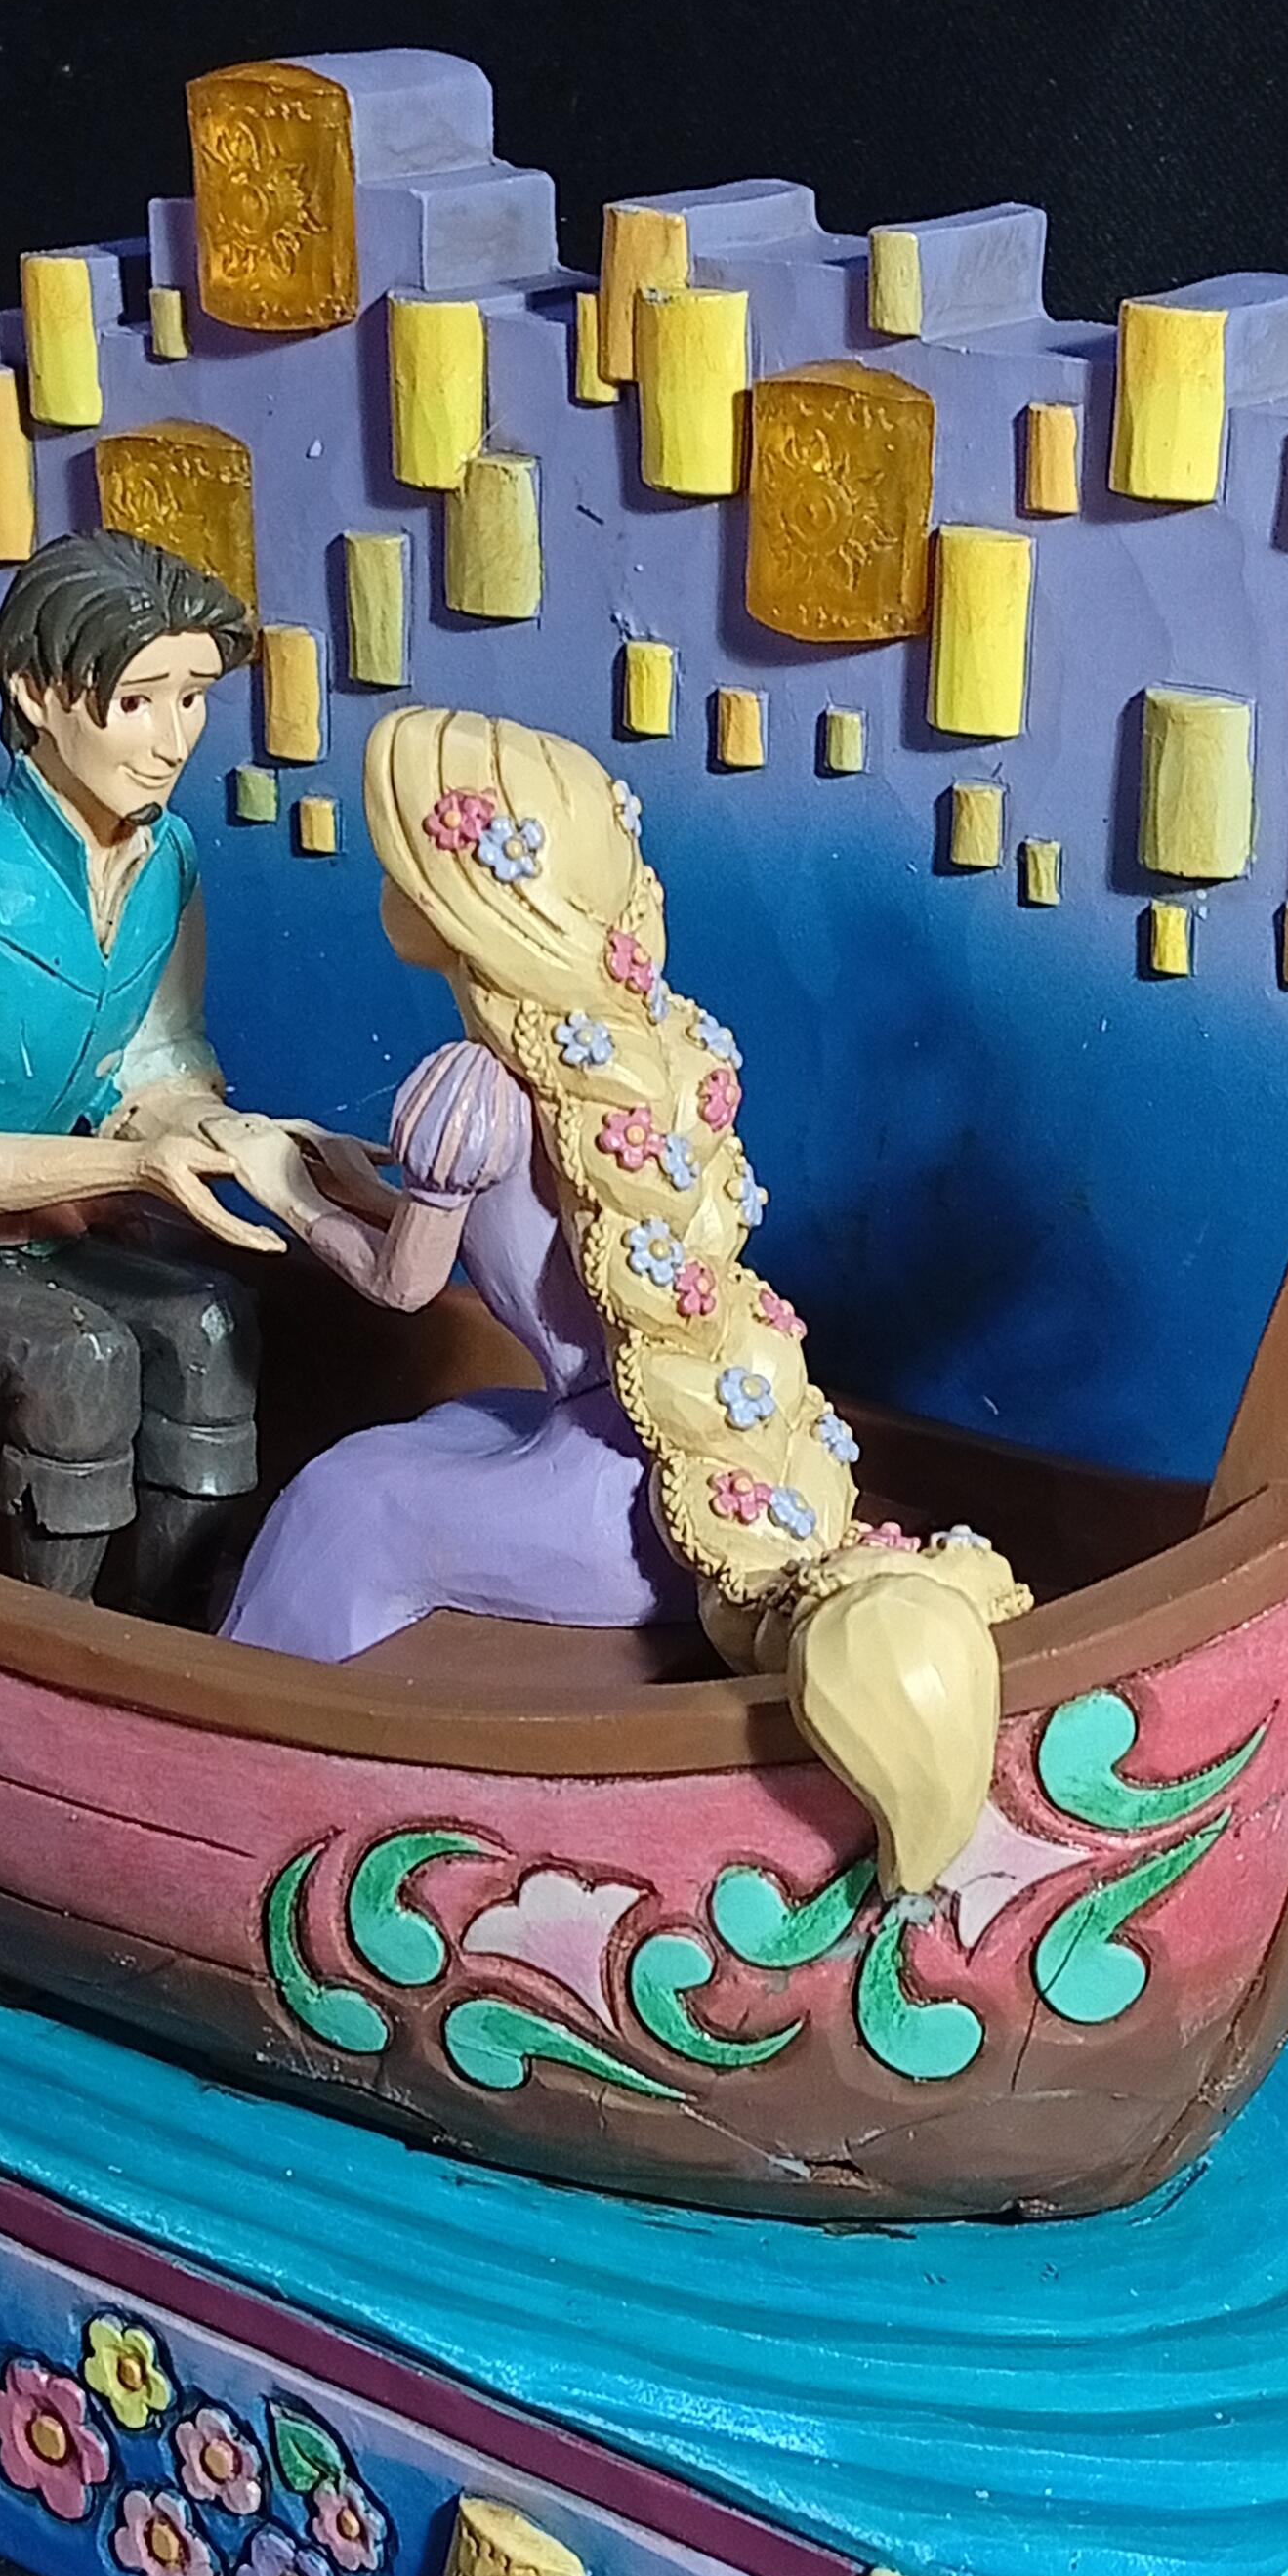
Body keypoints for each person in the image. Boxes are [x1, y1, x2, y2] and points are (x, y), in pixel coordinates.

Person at [221, 706, 1033, 1899]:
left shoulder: (475, 1089)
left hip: (624, 1501)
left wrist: (287, 1191)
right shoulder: (637, 1057)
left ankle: (240, 1774)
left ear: (453, 904)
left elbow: (406, 1283)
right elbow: (515, 1237)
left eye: (403, 864)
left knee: (350, 1499)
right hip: (664, 1456)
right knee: (460, 1423)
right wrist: (358, 1180)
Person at [0, 528, 343, 1621]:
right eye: (137, 701)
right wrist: (132, 1171)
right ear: (36, 693)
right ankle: (48, 1641)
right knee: (81, 1360)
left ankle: (170, 1634)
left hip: (51, 1238)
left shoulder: (167, 860)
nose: (172, 740)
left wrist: (226, 1135)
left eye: (191, 699)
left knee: (210, 1326)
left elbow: (153, 1062)